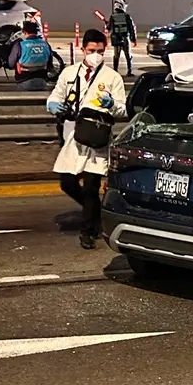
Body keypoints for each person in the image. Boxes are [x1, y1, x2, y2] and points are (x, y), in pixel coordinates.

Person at [46, 29, 126, 250]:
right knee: (67, 182)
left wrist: (112, 105)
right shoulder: (69, 73)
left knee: (91, 186)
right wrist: (52, 105)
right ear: (83, 49)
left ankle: (88, 231)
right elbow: (56, 95)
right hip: (73, 135)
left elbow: (122, 110)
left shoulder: (112, 78)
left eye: (100, 51)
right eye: (91, 50)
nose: (96, 55)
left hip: (97, 137)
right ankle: (95, 213)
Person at [8, 21, 52, 91]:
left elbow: (11, 64)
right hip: (42, 82)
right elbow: (50, 64)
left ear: (25, 32)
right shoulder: (46, 44)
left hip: (24, 82)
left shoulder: (20, 45)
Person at [106, 0, 137, 77]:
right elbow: (132, 28)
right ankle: (129, 71)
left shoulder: (112, 16)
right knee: (128, 55)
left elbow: (109, 28)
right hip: (125, 38)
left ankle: (115, 71)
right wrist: (133, 39)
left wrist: (107, 24)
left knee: (116, 56)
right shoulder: (127, 16)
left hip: (116, 39)